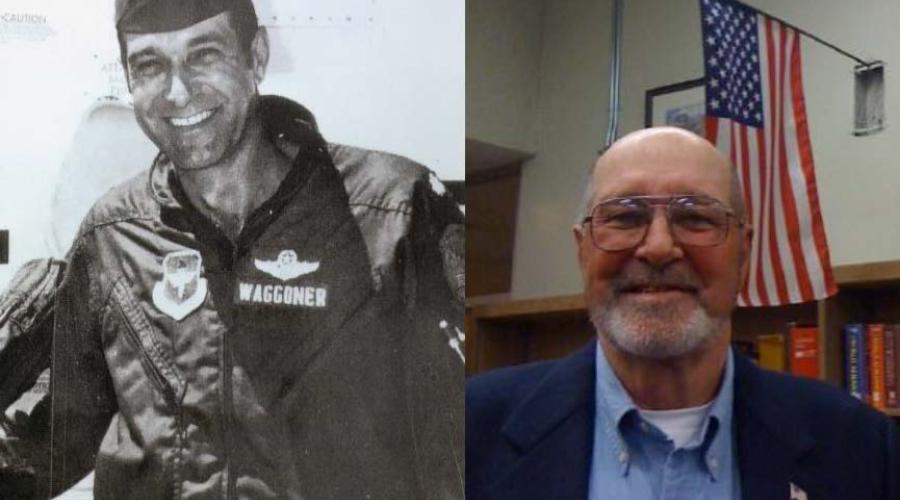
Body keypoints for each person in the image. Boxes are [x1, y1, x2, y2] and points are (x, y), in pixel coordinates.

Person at [0, 0, 464, 498]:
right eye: (150, 65)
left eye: (204, 54)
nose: (177, 92)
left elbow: (457, 456)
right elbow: (58, 448)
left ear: (256, 57)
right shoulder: (111, 235)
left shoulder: (392, 213)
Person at [466, 127, 900, 500]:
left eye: (695, 218)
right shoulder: (462, 432)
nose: (657, 247)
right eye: (623, 216)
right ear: (583, 250)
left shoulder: (862, 447)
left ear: (743, 253)